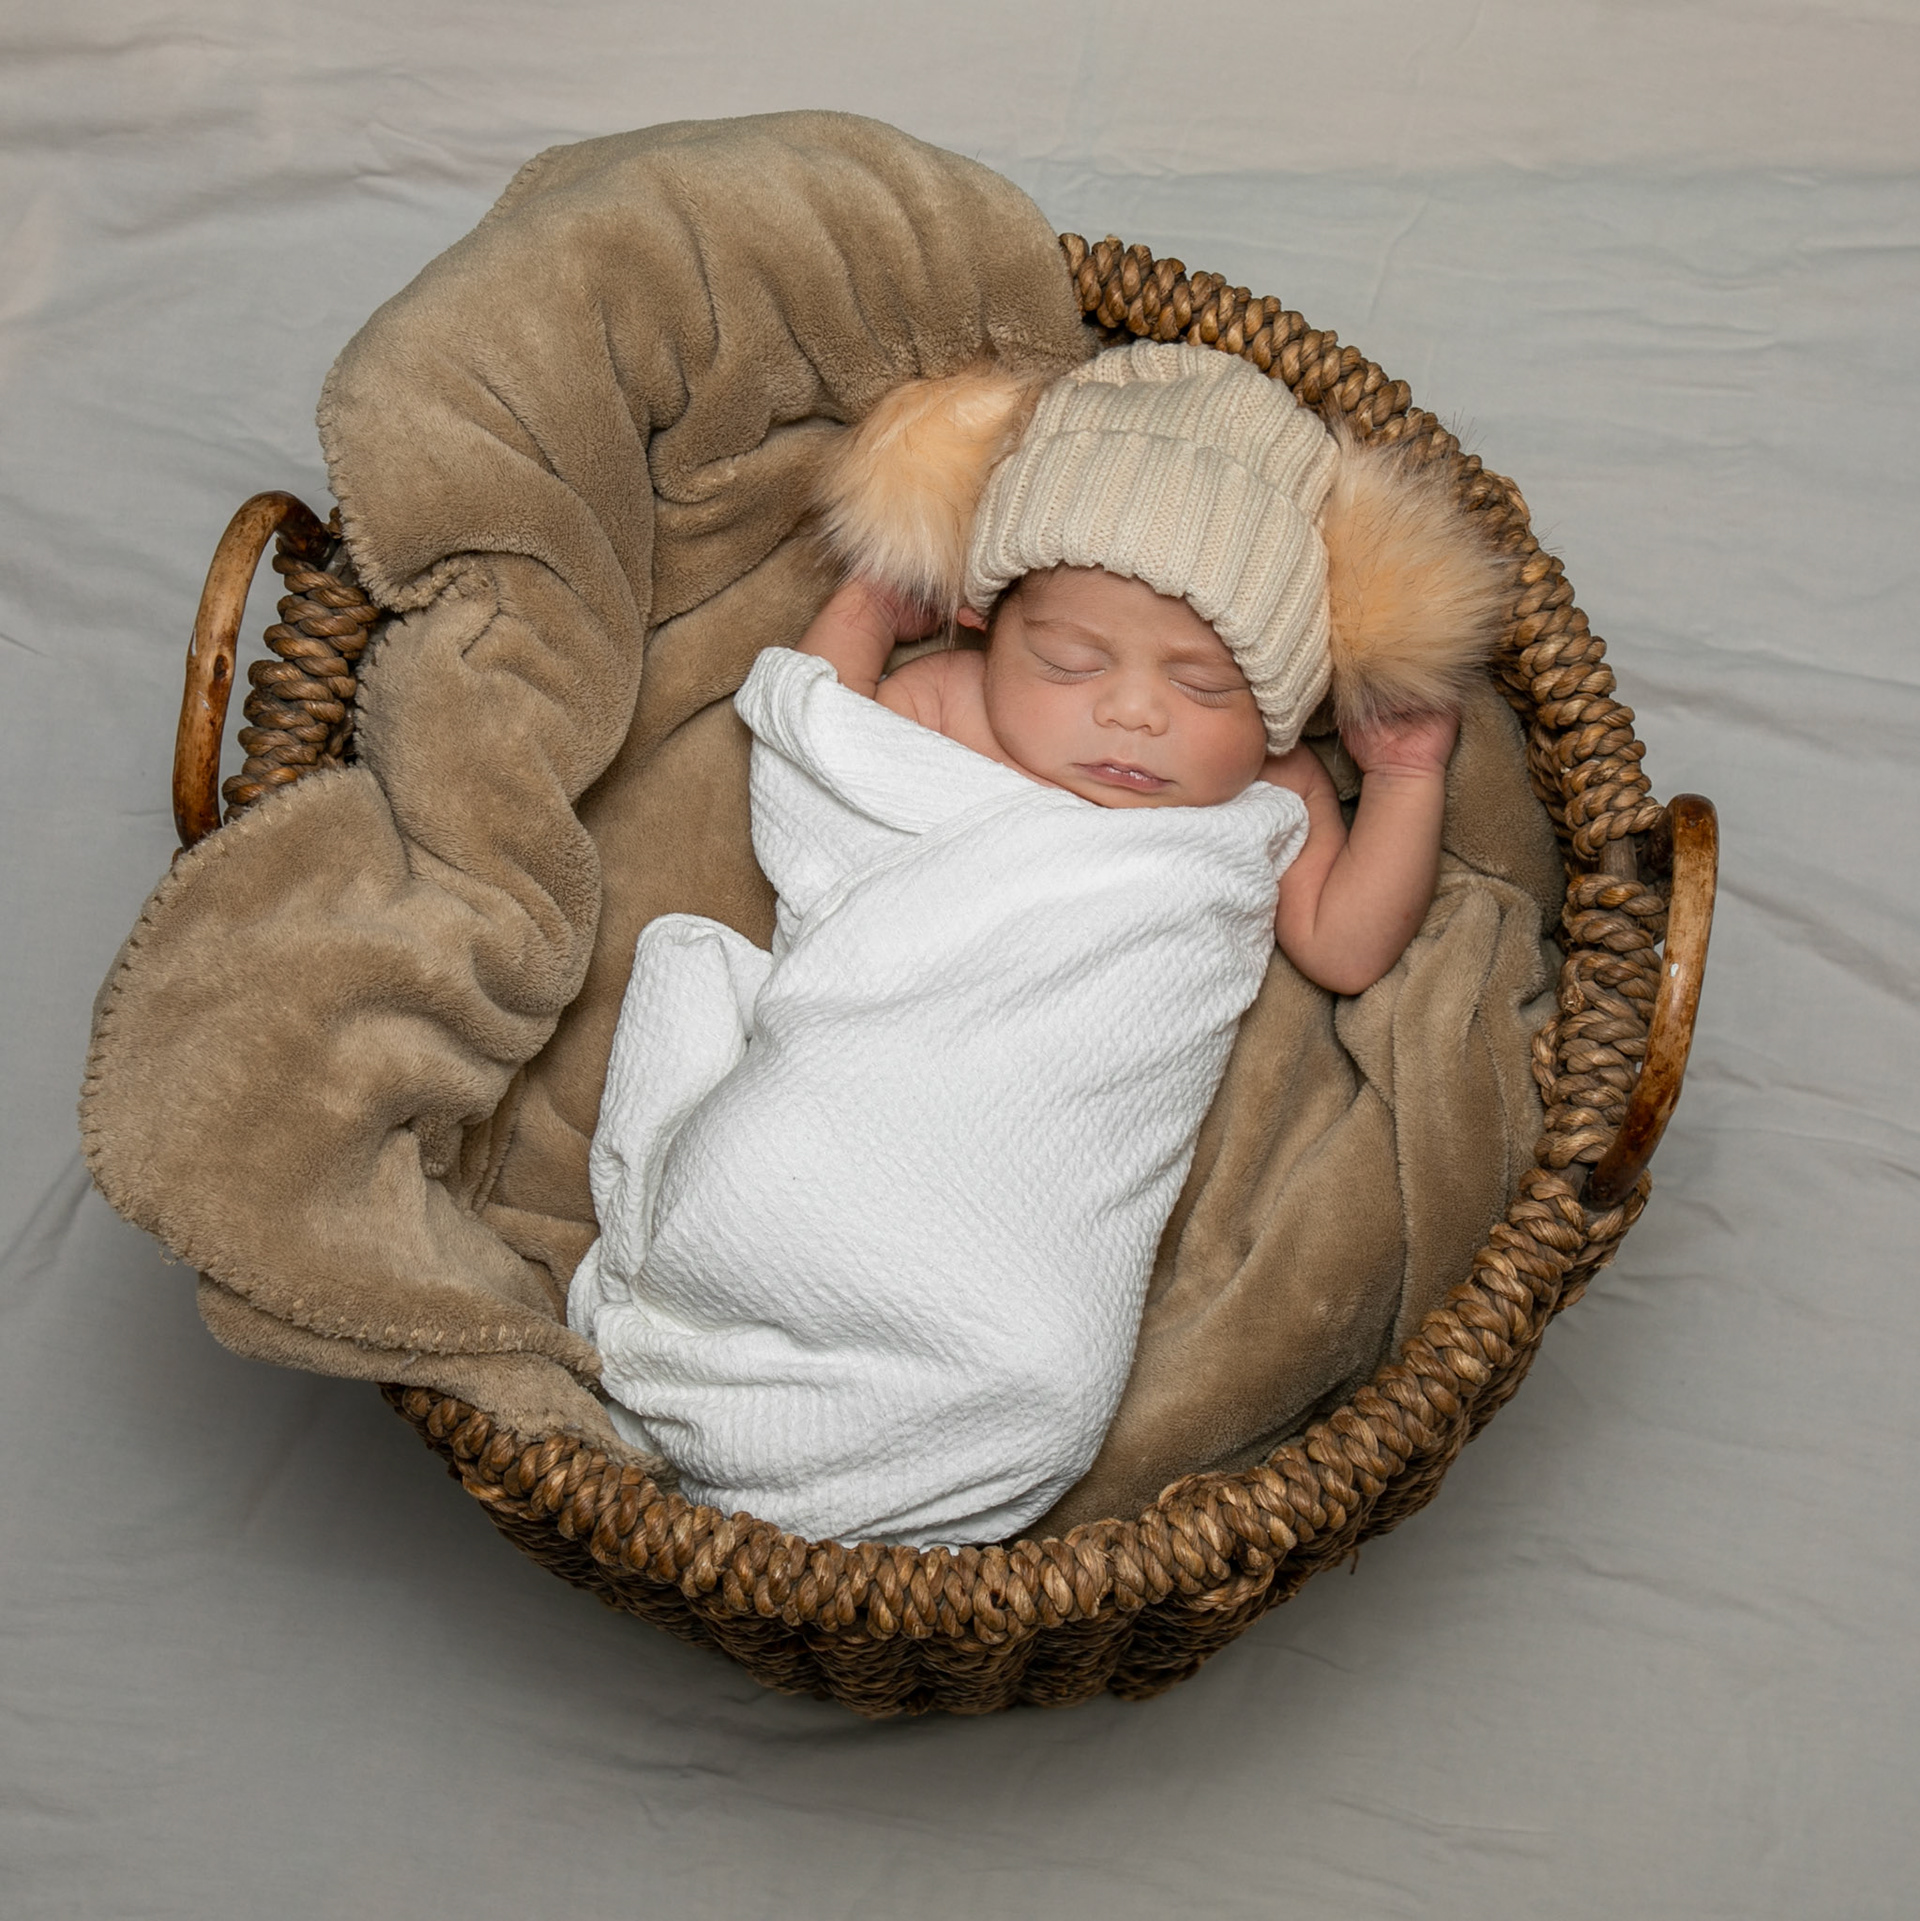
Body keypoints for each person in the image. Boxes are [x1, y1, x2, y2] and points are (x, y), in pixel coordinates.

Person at [569, 342, 1508, 1548]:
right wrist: (872, 602)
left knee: (1044, 1378)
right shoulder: (950, 705)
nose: (1132, 711)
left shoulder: (1270, 796)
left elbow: (1346, 944)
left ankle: (860, 1516)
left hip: (1036, 1199)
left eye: (1206, 687)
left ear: (1285, 709)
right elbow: (810, 739)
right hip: (848, 1106)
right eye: (1070, 661)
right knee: (764, 1194)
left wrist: (1408, 778)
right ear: (984, 621)